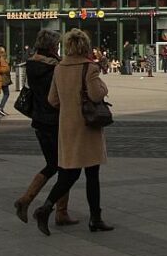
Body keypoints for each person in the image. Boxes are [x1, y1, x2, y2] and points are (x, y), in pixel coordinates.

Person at [33, 28, 113, 236]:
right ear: (85, 46)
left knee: (70, 173)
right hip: (87, 127)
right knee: (91, 174)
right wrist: (104, 88)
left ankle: (46, 208)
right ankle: (94, 218)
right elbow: (97, 94)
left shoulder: (60, 68)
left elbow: (52, 100)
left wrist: (68, 107)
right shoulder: (89, 68)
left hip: (67, 127)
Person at [15, 29, 79, 227]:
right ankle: (58, 210)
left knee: (53, 165)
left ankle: (29, 199)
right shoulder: (55, 68)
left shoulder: (32, 64)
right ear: (52, 46)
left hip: (39, 121)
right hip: (57, 121)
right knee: (66, 166)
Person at [0, 45, 12, 116]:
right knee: (6, 93)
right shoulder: (1, 59)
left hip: (3, 79)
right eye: (3, 51)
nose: (4, 53)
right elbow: (5, 69)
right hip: (3, 79)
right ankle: (0, 108)